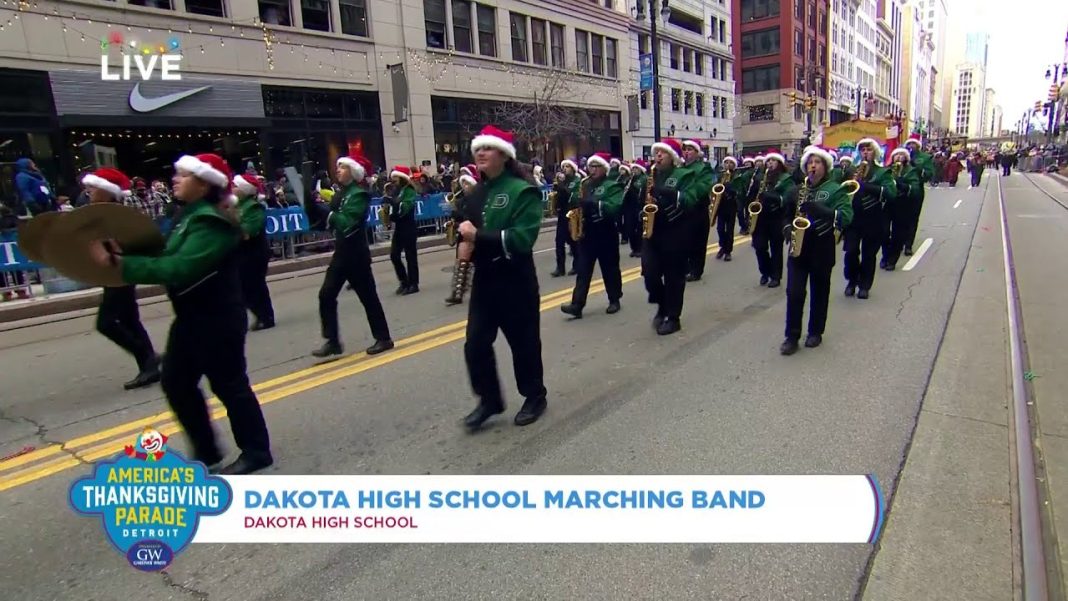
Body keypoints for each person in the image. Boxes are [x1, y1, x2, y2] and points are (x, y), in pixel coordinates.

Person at [86, 154, 273, 474]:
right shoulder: (189, 216)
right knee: (176, 381)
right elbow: (168, 253)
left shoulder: (211, 222)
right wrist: (127, 252)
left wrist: (121, 264)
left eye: (183, 175)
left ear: (203, 184)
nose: (175, 179)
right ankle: (206, 450)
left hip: (217, 317)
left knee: (229, 385)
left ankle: (256, 451)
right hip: (191, 317)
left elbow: (180, 267)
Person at [457, 125, 548, 430]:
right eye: (477, 149)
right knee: (475, 344)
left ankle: (535, 395)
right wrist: (462, 241)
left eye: (488, 148)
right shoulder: (477, 192)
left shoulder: (523, 191)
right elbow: (468, 228)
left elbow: (522, 239)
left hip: (515, 280)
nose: (480, 153)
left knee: (523, 344)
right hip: (485, 280)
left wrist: (477, 236)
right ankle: (490, 399)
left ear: (504, 155)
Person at [82, 167, 161, 390]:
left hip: (120, 272)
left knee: (106, 323)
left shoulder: (117, 215)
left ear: (107, 191)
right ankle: (149, 366)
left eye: (94, 187)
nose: (89, 191)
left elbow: (128, 244)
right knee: (129, 320)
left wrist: (110, 250)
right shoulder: (100, 213)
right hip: (115, 273)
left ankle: (148, 357)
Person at [308, 154, 395, 358]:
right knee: (326, 294)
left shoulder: (358, 194)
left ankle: (383, 338)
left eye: (343, 167)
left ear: (353, 172)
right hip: (342, 252)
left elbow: (347, 222)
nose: (337, 170)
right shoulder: (341, 194)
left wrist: (326, 213)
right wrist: (313, 209)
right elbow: (329, 221)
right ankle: (332, 341)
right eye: (337, 167)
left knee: (368, 298)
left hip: (356, 255)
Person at [781, 146, 854, 355]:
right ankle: (791, 336)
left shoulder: (835, 189)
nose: (813, 165)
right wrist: (786, 228)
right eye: (810, 162)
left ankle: (815, 332)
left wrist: (822, 211)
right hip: (798, 247)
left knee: (819, 292)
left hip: (822, 247)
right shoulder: (796, 190)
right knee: (794, 292)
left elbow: (846, 216)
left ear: (825, 166)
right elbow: (786, 214)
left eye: (818, 162)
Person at [641, 138, 699, 336]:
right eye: (656, 152)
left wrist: (668, 192)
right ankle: (662, 304)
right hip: (653, 232)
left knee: (674, 277)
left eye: (662, 152)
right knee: (649, 274)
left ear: (672, 157)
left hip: (676, 232)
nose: (657, 156)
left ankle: (673, 318)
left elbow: (690, 199)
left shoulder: (684, 174)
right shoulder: (652, 175)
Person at [560, 152, 625, 318]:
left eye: (596, 166)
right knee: (583, 269)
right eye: (591, 166)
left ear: (604, 168)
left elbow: (615, 207)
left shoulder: (612, 185)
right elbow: (576, 199)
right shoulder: (585, 184)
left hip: (605, 231)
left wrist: (594, 203)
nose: (593, 170)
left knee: (609, 268)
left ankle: (614, 299)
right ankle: (577, 304)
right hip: (587, 232)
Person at [842, 138, 895, 299]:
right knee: (850, 252)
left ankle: (864, 285)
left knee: (869, 255)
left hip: (873, 219)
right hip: (854, 219)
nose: (865, 152)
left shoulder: (882, 172)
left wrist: (868, 187)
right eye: (863, 150)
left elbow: (891, 193)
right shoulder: (853, 171)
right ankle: (852, 280)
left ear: (875, 152)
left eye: (869, 149)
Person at [231, 173, 275, 331]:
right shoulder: (237, 206)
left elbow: (249, 231)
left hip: (255, 253)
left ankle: (266, 316)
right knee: (244, 287)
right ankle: (260, 314)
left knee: (256, 286)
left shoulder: (253, 207)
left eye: (236, 186)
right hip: (242, 254)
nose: (232, 189)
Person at [750, 149, 792, 288]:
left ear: (779, 163)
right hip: (761, 217)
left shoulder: (786, 179)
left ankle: (776, 276)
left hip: (776, 217)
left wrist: (773, 197)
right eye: (768, 161)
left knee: (776, 248)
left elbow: (788, 199)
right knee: (759, 246)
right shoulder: (761, 177)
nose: (769, 163)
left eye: (773, 160)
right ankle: (765, 271)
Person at [881, 147, 923, 271]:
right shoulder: (887, 170)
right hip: (888, 203)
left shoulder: (911, 171)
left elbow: (915, 189)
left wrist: (901, 184)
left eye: (901, 154)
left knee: (898, 235)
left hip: (903, 205)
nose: (899, 156)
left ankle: (892, 260)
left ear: (906, 158)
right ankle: (885, 256)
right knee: (883, 232)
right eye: (896, 154)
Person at [680, 139, 716, 282]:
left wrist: (685, 193)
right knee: (683, 241)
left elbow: (703, 187)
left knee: (698, 242)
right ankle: (686, 268)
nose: (687, 152)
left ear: (697, 152)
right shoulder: (679, 168)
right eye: (685, 149)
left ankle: (696, 270)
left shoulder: (703, 168)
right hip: (682, 209)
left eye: (690, 149)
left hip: (698, 209)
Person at [382, 165, 420, 295]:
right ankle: (404, 281)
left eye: (395, 178)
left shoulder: (409, 191)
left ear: (402, 178)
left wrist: (393, 203)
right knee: (394, 255)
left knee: (411, 256)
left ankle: (414, 284)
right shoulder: (396, 191)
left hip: (408, 226)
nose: (393, 181)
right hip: (399, 227)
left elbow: (405, 207)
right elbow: (394, 209)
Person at [444, 169, 480, 306]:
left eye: (467, 183)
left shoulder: (478, 199)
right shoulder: (460, 201)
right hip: (463, 234)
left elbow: (476, 217)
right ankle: (457, 293)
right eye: (463, 183)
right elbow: (460, 216)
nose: (464, 186)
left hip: (476, 234)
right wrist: (454, 214)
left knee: (481, 266)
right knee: (461, 264)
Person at [900, 135, 933, 256]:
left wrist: (917, 167)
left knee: (912, 219)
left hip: (916, 190)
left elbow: (929, 174)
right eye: (909, 144)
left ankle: (908, 245)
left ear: (918, 145)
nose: (910, 147)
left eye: (913, 144)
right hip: (901, 190)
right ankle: (899, 241)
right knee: (900, 219)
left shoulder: (925, 157)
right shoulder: (901, 155)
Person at [551, 158, 580, 277]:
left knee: (573, 241)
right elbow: (559, 195)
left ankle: (577, 266)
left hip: (572, 213)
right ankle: (560, 267)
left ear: (573, 169)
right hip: (562, 214)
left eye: (567, 166)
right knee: (559, 241)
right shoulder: (562, 182)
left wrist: (562, 186)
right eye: (564, 166)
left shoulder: (577, 181)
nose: (564, 169)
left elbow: (573, 197)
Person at [715, 156, 741, 261]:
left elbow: (738, 190)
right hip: (721, 205)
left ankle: (728, 251)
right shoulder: (720, 175)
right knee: (720, 229)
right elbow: (714, 187)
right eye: (726, 162)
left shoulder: (737, 176)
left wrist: (730, 187)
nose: (728, 164)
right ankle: (722, 246)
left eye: (731, 163)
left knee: (729, 230)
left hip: (731, 205)